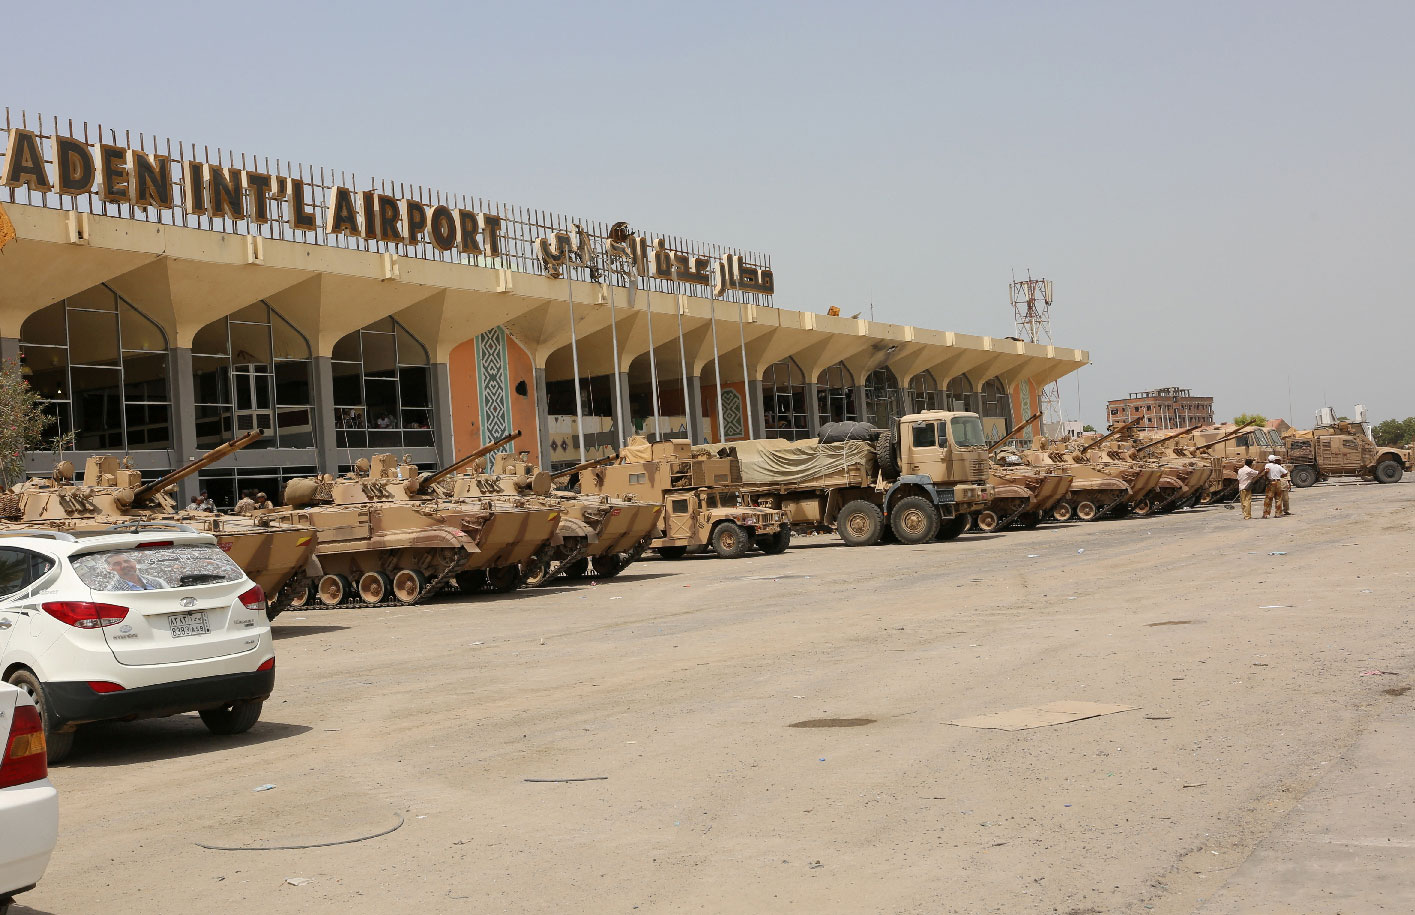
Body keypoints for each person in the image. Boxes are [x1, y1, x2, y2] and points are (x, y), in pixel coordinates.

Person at [1261, 454, 1289, 518]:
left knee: (1268, 498)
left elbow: (1267, 470)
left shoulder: (1268, 465)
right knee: (1278, 498)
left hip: (1271, 482)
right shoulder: (1278, 466)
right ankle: (1278, 513)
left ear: (1268, 460)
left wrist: (1265, 476)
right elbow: (1285, 473)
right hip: (1278, 482)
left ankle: (1266, 514)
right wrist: (1280, 476)